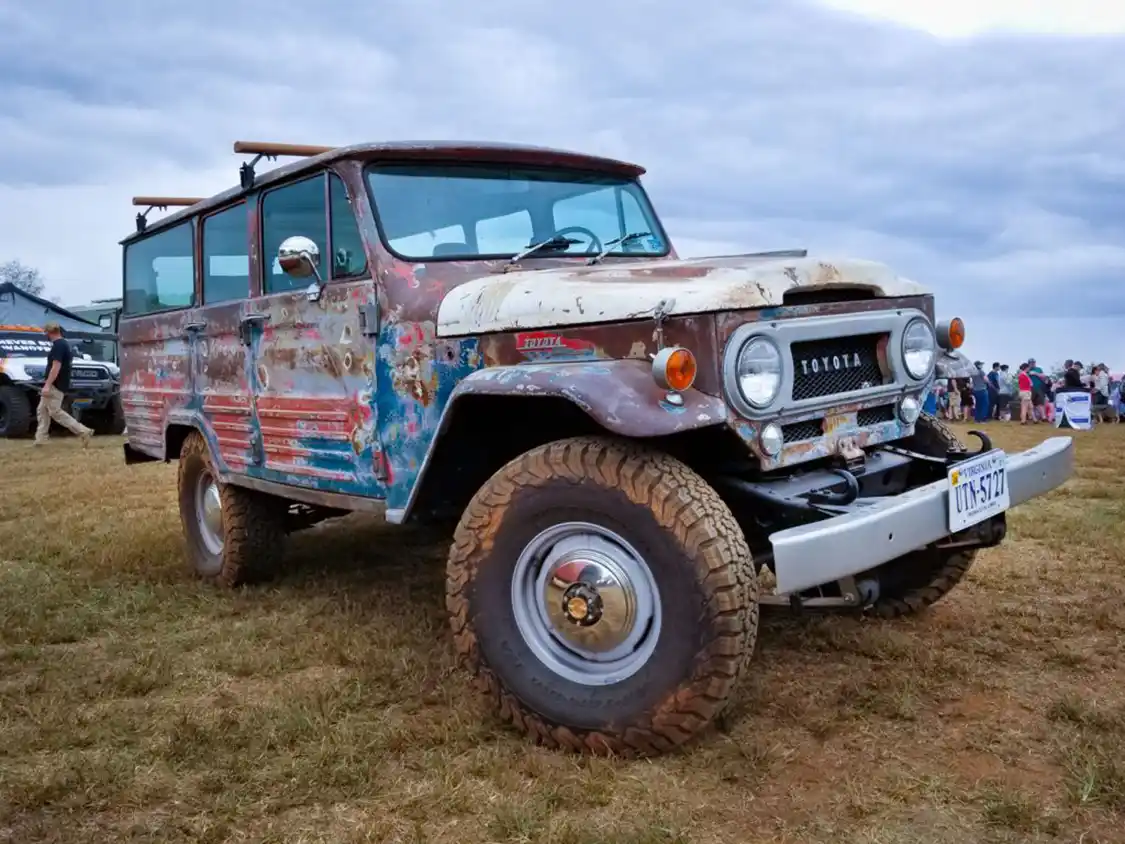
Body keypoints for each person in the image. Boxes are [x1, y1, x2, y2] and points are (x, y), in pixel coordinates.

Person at [34, 322, 93, 446]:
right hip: (57, 383)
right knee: (42, 410)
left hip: (56, 385)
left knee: (55, 412)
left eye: (46, 333)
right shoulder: (64, 344)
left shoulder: (58, 346)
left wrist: (47, 385)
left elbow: (56, 367)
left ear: (49, 332)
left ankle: (83, 431)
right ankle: (41, 439)